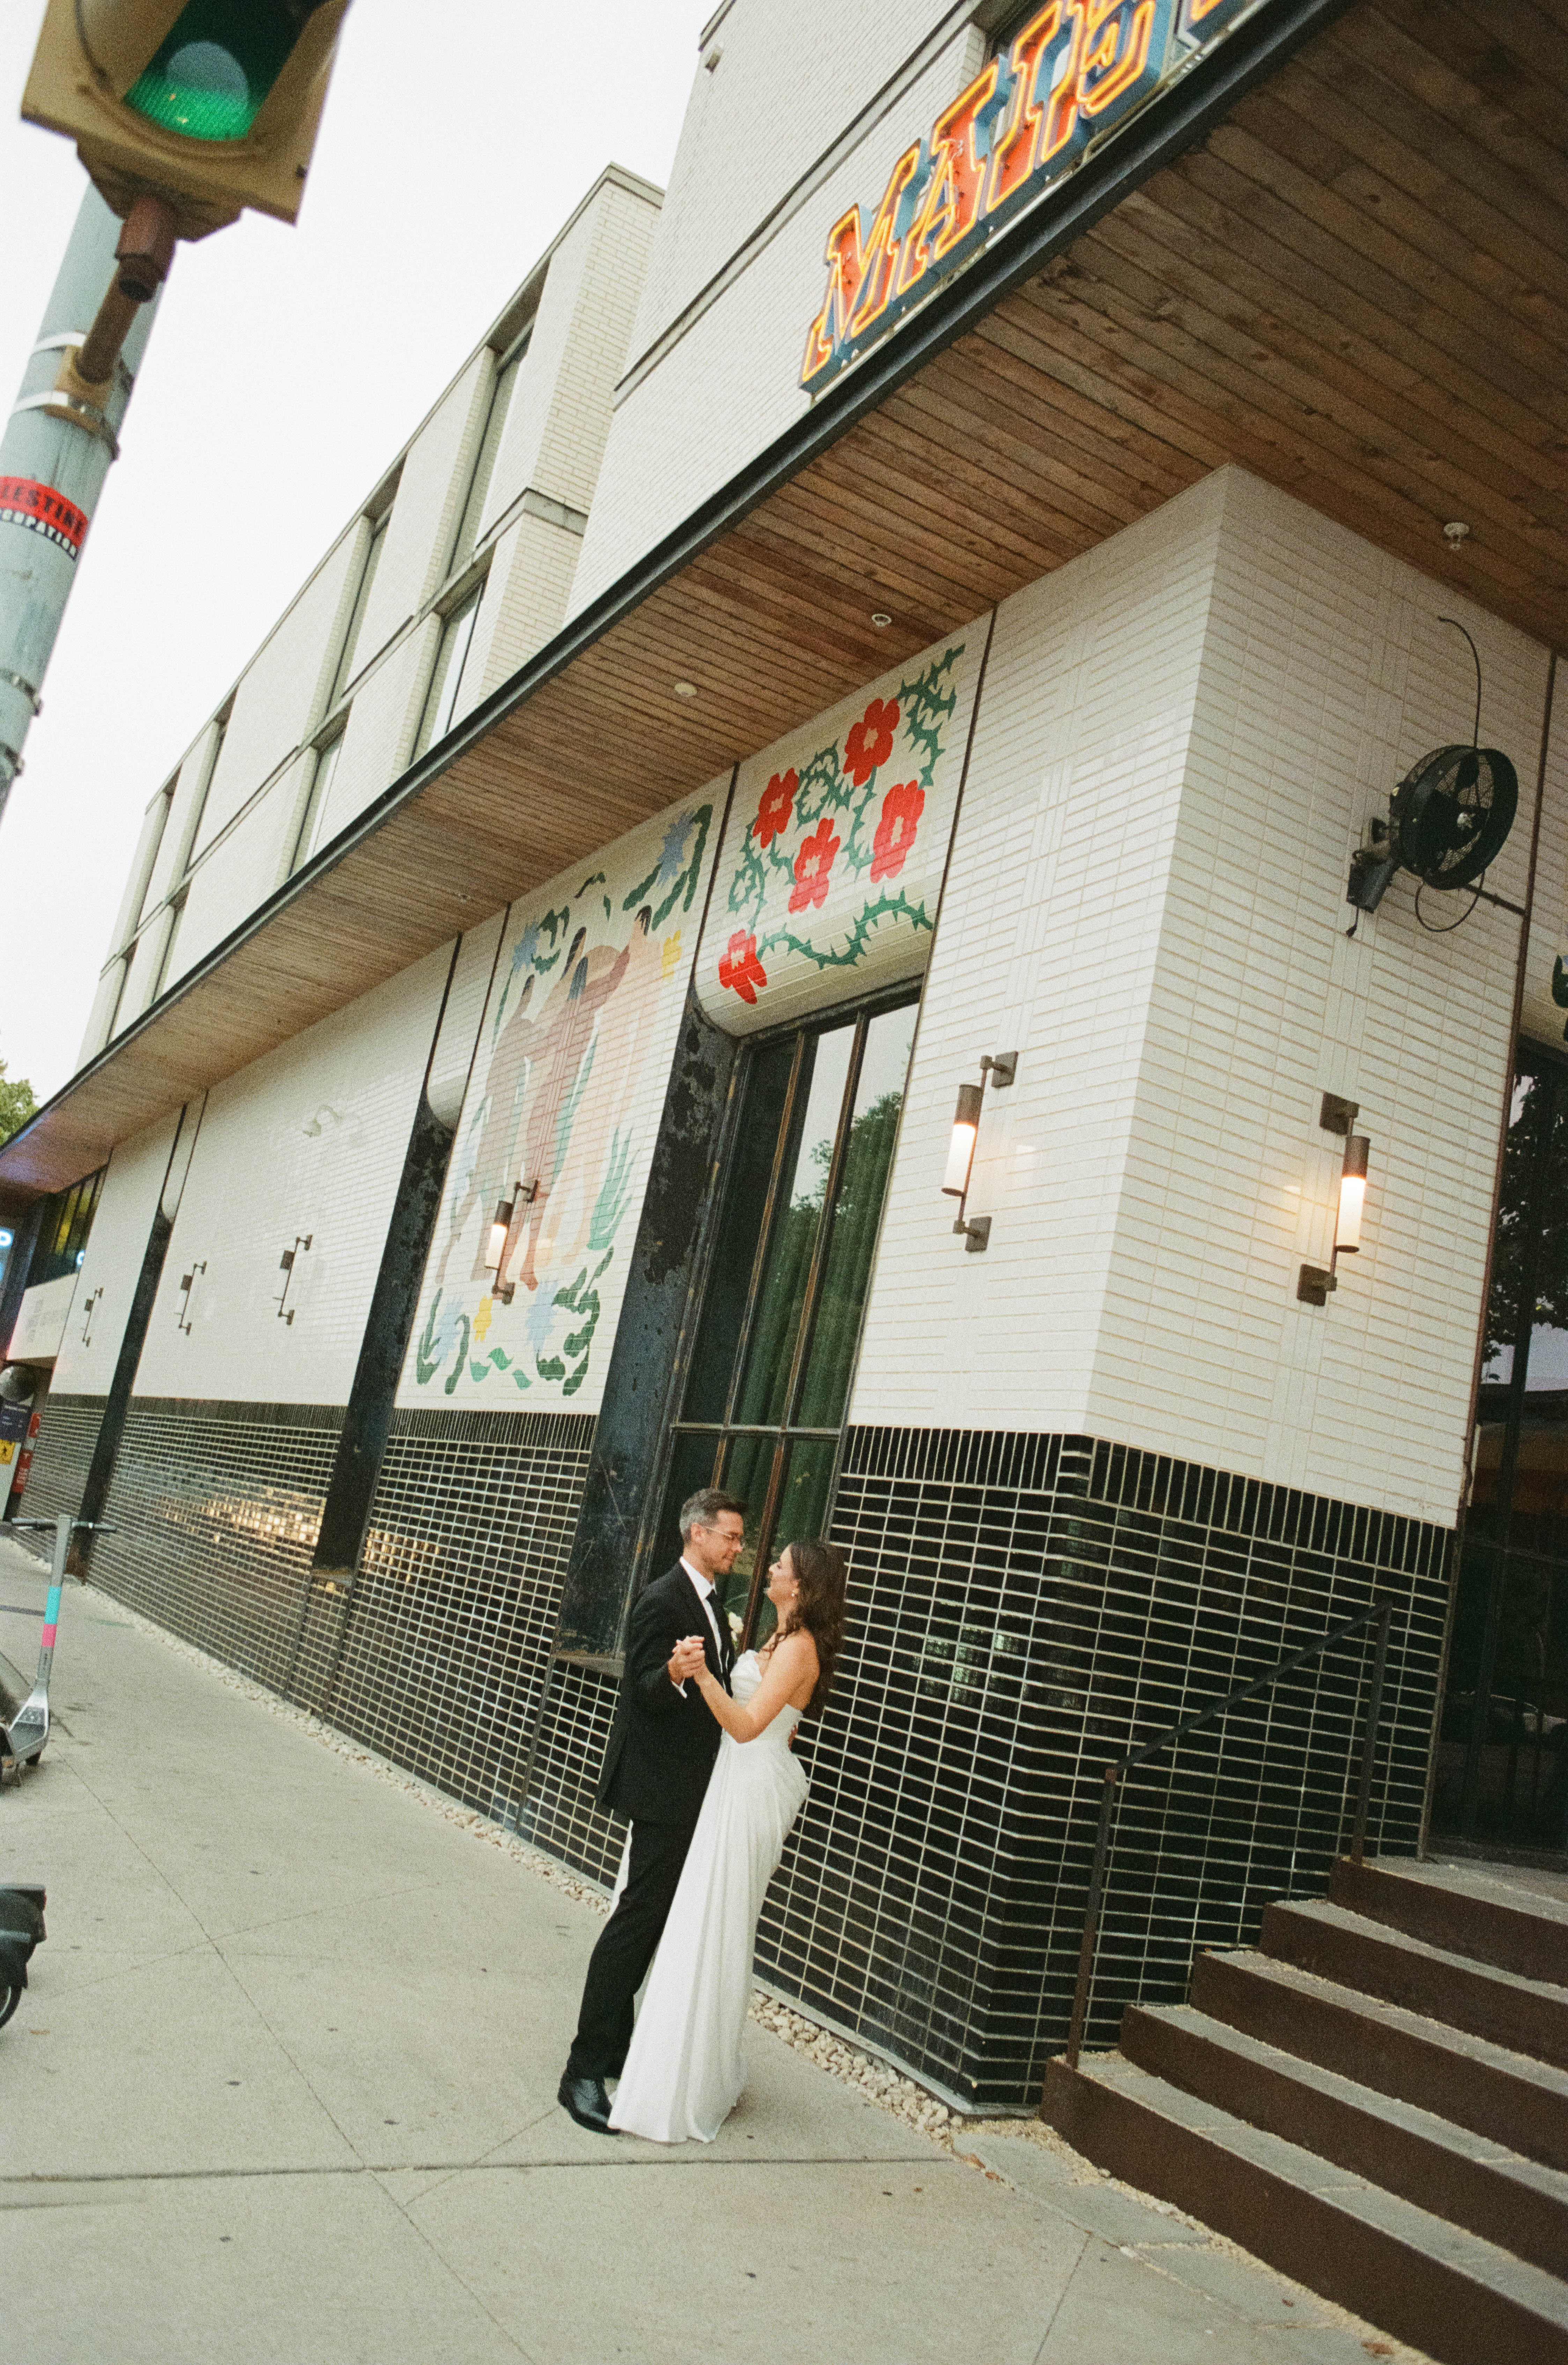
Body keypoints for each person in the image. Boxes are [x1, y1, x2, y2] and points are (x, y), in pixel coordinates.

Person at [608, 1534, 848, 2144]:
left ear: (800, 1586)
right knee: (696, 1913)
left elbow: (746, 1727)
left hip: (747, 1786)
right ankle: (670, 2055)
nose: (768, 1567)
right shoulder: (775, 1637)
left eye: (781, 1565)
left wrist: (700, 1675)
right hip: (734, 1780)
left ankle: (689, 2077)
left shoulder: (799, 1648)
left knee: (714, 1917)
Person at [557, 1487, 745, 2134]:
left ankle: (615, 2042)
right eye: (730, 1536)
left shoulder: (712, 1602)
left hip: (693, 1791)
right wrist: (671, 1672)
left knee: (653, 1916)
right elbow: (641, 1691)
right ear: (697, 1533)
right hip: (663, 1791)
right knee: (636, 1920)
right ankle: (582, 2068)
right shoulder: (662, 1598)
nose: (738, 1547)